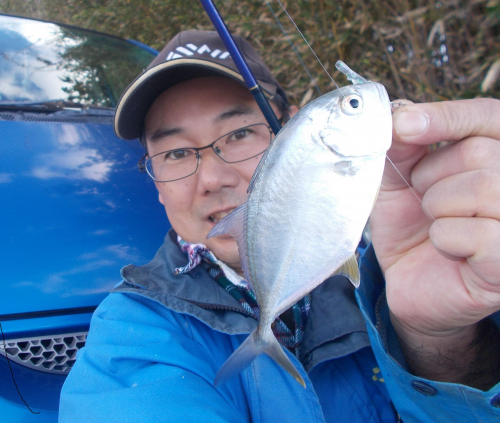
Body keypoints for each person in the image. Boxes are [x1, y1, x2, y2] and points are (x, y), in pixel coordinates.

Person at [59, 30, 500, 422]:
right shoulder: (129, 337)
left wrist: (440, 340)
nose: (212, 179)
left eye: (238, 134)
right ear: (155, 182)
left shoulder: (403, 265)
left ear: (290, 132)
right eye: (175, 153)